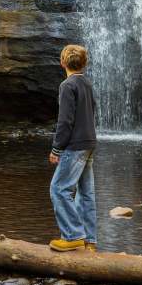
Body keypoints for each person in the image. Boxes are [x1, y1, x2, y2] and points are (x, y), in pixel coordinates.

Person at [48, 44, 97, 252]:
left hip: (74, 145)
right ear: (84, 63)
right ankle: (89, 240)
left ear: (62, 63)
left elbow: (65, 121)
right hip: (89, 143)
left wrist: (56, 149)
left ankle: (72, 235)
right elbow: (92, 111)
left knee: (59, 189)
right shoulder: (87, 82)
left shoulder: (67, 85)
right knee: (86, 193)